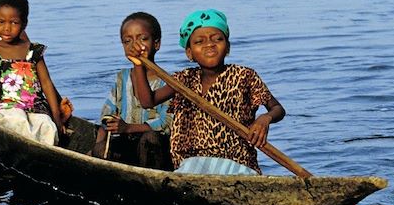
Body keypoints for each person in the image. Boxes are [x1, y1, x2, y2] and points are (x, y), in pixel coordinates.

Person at [128, 9, 285, 175]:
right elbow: (148, 102)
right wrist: (139, 65)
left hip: (236, 162)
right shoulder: (184, 79)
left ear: (228, 47)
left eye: (217, 39)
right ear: (189, 53)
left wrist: (265, 118)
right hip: (191, 163)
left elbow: (278, 109)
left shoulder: (244, 76)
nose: (209, 44)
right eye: (199, 42)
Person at [0, 0, 63, 146]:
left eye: (14, 23)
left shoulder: (33, 51)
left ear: (24, 24)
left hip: (35, 106)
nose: (7, 28)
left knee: (47, 126)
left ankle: (42, 155)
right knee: (17, 122)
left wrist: (56, 114)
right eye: (1, 22)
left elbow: (46, 83)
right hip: (7, 106)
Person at [92, 12, 173, 170]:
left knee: (150, 139)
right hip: (124, 144)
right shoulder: (122, 78)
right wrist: (98, 145)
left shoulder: (168, 83)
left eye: (142, 39)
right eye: (127, 41)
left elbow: (166, 124)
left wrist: (129, 127)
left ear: (156, 44)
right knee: (101, 149)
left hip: (154, 149)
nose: (134, 46)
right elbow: (107, 115)